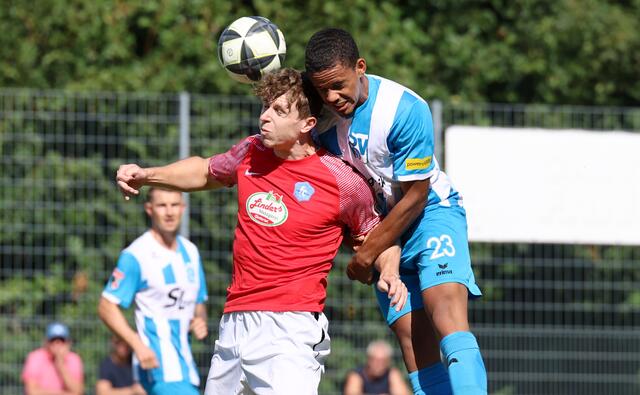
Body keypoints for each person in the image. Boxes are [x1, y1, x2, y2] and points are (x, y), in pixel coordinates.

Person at [114, 67, 407, 395]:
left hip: (290, 330)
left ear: (307, 125)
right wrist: (147, 175)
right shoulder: (252, 152)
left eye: (279, 110)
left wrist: (391, 271)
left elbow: (377, 235)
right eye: (265, 106)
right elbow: (204, 171)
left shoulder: (341, 180)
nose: (265, 116)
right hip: (234, 324)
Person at [305, 28, 487, 395]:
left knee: (446, 313)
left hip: (431, 213)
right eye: (321, 89)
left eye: (338, 85)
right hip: (381, 230)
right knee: (412, 340)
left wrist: (368, 253)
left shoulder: (403, 109)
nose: (331, 96)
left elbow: (416, 196)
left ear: (360, 67)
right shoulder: (319, 122)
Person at [98, 188, 209, 395]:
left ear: (183, 208)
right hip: (159, 366)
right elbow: (106, 306)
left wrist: (199, 320)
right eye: (162, 205)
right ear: (149, 209)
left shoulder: (191, 252)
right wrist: (137, 344)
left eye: (174, 205)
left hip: (186, 366)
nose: (169, 212)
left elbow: (199, 301)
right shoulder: (137, 255)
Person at [21, 321, 84, 395]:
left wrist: (61, 365)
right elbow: (32, 391)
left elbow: (78, 391)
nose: (57, 344)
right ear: (46, 343)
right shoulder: (35, 357)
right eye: (53, 340)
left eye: (62, 340)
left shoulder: (74, 359)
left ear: (68, 343)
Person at [343, 340, 411, 395]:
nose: (379, 365)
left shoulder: (392, 374)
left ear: (388, 362)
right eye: (376, 360)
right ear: (369, 359)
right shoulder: (356, 375)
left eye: (383, 361)